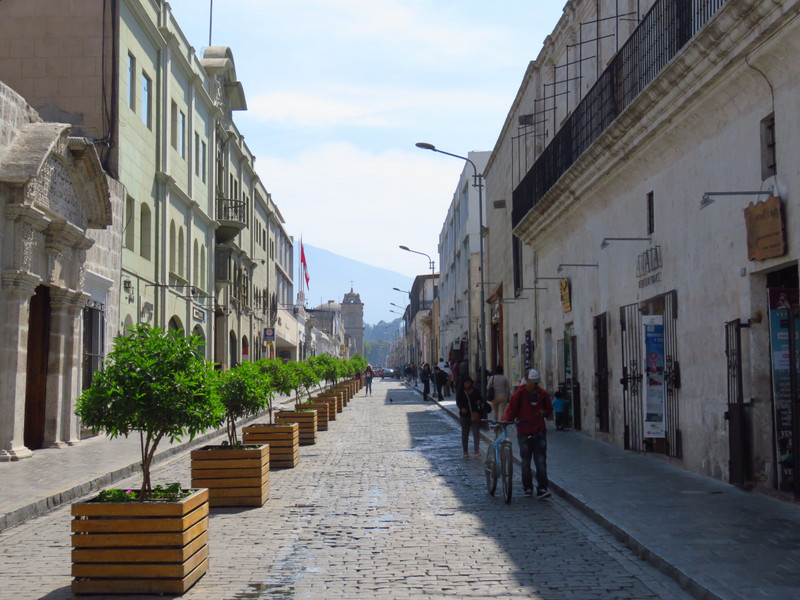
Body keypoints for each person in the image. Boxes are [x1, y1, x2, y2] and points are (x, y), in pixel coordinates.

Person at [504, 368, 553, 499]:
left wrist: (545, 412)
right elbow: (511, 411)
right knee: (526, 462)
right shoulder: (518, 395)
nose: (535, 385)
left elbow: (549, 410)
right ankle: (528, 488)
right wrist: (504, 423)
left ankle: (542, 488)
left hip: (539, 431)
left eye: (537, 383)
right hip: (524, 433)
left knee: (541, 461)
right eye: (532, 383)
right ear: (526, 381)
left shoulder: (543, 394)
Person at [456, 376, 488, 456]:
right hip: (464, 415)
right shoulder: (461, 392)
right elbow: (458, 402)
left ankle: (476, 450)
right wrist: (461, 408)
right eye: (466, 383)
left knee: (476, 433)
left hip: (475, 414)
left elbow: (481, 399)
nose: (467, 384)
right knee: (465, 433)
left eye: (469, 382)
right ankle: (465, 451)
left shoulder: (475, 391)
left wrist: (479, 402)